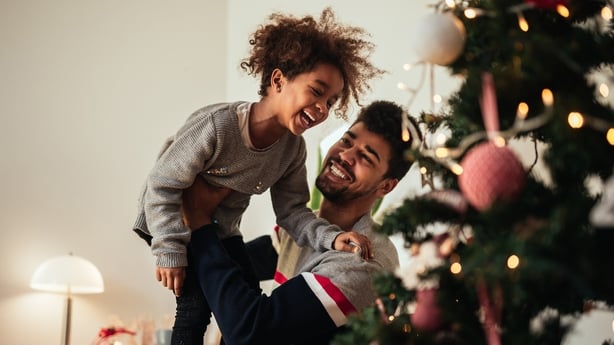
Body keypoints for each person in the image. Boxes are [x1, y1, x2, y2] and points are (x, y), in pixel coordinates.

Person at [132, 7, 383, 345]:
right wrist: (169, 250)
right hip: (170, 220)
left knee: (245, 299)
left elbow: (293, 212)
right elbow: (162, 185)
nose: (323, 107)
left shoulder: (292, 150)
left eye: (331, 101)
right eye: (316, 91)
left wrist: (332, 239)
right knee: (195, 310)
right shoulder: (220, 127)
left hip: (222, 230)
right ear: (278, 80)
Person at [181, 100, 422, 344]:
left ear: (386, 185)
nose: (346, 156)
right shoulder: (308, 228)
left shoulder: (364, 260)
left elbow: (252, 333)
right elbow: (228, 271)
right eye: (347, 141)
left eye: (366, 157)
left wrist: (200, 220)